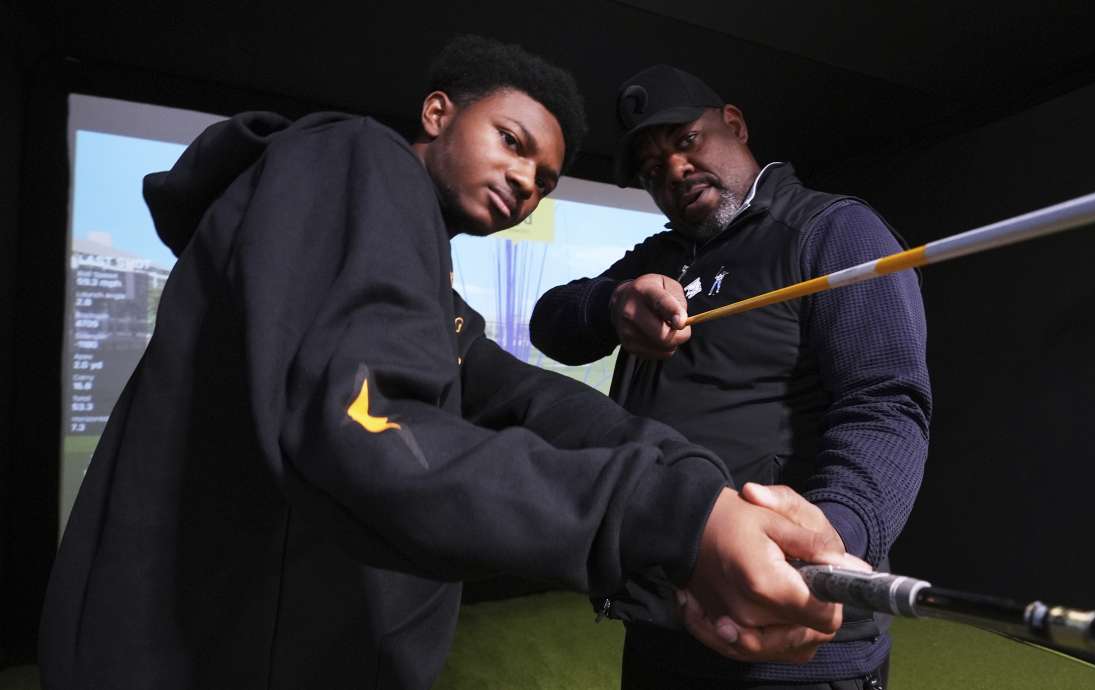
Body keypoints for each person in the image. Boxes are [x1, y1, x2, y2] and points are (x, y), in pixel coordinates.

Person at [39, 39, 863, 690]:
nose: (524, 183)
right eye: (511, 142)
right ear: (438, 113)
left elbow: (508, 390)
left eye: (543, 180)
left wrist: (692, 486)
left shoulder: (412, 274)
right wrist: (664, 510)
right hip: (202, 655)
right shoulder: (355, 158)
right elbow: (366, 426)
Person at [531, 64, 933, 689]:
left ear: (736, 126)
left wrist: (827, 541)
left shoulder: (833, 230)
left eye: (686, 140)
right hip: (663, 613)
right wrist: (611, 306)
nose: (673, 170)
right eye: (651, 166)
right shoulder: (661, 256)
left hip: (788, 635)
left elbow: (886, 408)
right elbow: (548, 321)